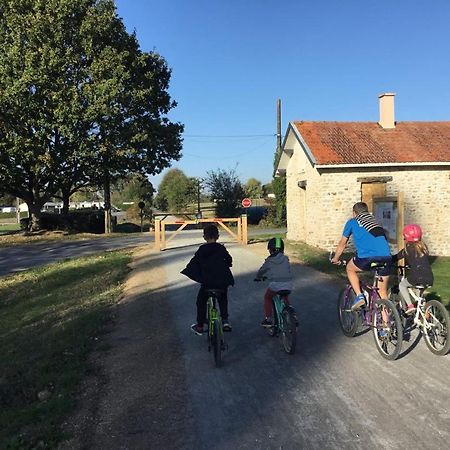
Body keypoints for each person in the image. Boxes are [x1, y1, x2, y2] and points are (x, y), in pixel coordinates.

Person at [331, 202, 392, 310]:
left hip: (366, 258)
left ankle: (359, 296)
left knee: (350, 269)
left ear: (354, 213)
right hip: (386, 257)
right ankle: (386, 325)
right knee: (382, 293)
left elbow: (342, 243)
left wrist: (335, 258)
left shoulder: (352, 222)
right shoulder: (376, 221)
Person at [181, 224, 234, 335]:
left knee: (200, 302)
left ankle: (200, 326)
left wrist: (196, 274)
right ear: (218, 236)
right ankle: (225, 321)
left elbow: (193, 264)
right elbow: (229, 260)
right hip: (221, 282)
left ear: (204, 237)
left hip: (208, 284)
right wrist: (226, 263)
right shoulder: (221, 248)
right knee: (223, 298)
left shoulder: (202, 249)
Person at [392, 224, 434, 315]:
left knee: (402, 285)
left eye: (404, 237)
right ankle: (426, 313)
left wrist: (386, 261)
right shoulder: (424, 248)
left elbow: (395, 258)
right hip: (429, 277)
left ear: (407, 238)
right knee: (420, 295)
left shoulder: (407, 249)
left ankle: (410, 306)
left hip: (416, 277)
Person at [255, 237, 293, 327]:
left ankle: (268, 319)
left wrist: (258, 277)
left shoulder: (269, 260)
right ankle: (291, 314)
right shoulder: (286, 258)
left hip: (275, 284)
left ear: (270, 250)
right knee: (285, 296)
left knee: (267, 297)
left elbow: (262, 270)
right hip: (288, 284)